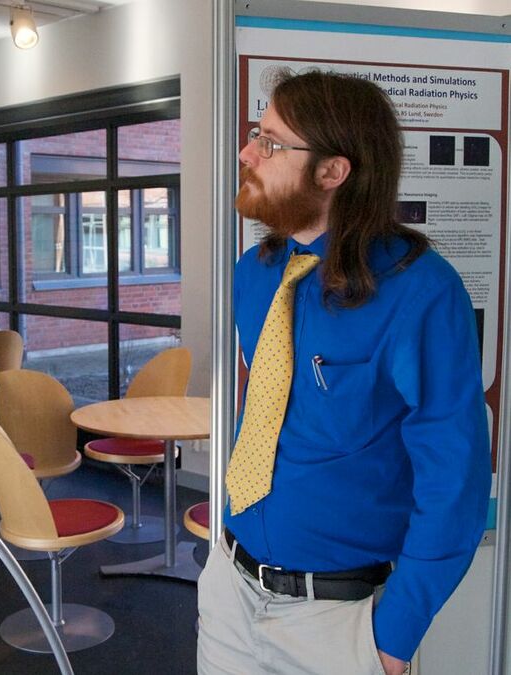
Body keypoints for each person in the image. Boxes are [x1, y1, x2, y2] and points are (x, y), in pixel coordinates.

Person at [197, 71, 490, 675]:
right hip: (229, 585)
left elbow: (455, 482)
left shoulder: (421, 293)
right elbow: (264, 403)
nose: (248, 153)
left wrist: (393, 637)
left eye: (271, 142)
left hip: (338, 621)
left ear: (333, 172)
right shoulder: (254, 273)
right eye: (257, 133)